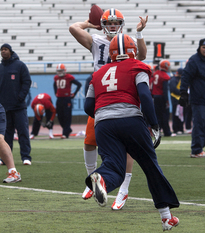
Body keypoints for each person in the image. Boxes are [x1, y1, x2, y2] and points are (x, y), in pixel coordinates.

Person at [85, 34, 179, 231]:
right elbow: (145, 96)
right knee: (150, 166)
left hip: (102, 123)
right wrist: (153, 124)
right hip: (130, 119)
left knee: (113, 166)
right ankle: (165, 217)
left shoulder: (97, 73)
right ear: (133, 51)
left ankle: (100, 178)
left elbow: (88, 106)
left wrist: (106, 115)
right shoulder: (138, 67)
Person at [69, 8, 148, 209]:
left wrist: (139, 34)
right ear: (103, 25)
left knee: (128, 146)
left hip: (124, 95)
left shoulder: (126, 41)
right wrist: (90, 23)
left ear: (121, 24)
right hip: (101, 96)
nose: (112, 25)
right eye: (108, 22)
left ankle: (124, 189)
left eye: (116, 22)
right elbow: (73, 27)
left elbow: (143, 56)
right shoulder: (96, 41)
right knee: (89, 142)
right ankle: (92, 179)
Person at [0, 43, 32, 165]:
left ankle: (26, 157)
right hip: (4, 108)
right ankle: (4, 158)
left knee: (23, 132)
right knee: (5, 135)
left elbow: (27, 82)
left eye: (5, 49)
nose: (3, 52)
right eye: (1, 50)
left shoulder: (20, 66)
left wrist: (21, 97)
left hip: (18, 107)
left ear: (10, 51)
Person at [179, 38, 205, 158]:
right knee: (199, 124)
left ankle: (200, 148)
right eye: (204, 47)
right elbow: (186, 77)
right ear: (199, 48)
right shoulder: (194, 61)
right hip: (199, 99)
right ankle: (196, 150)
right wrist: (183, 93)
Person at [53, 63, 82, 138]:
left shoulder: (69, 77)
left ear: (64, 70)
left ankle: (65, 134)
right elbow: (54, 85)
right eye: (58, 71)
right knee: (60, 117)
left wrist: (74, 94)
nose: (59, 72)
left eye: (61, 71)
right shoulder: (56, 78)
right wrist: (56, 92)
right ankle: (67, 129)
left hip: (67, 99)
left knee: (67, 116)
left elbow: (79, 84)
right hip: (59, 99)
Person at [152, 59, 174, 137]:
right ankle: (167, 132)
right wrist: (167, 100)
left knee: (157, 115)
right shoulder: (164, 76)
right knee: (165, 115)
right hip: (161, 97)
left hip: (155, 97)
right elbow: (164, 90)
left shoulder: (155, 74)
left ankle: (157, 132)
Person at [170, 68, 184, 134]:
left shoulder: (179, 79)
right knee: (176, 115)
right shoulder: (173, 80)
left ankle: (180, 128)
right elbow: (173, 89)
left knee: (180, 114)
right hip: (175, 99)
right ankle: (176, 129)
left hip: (180, 99)